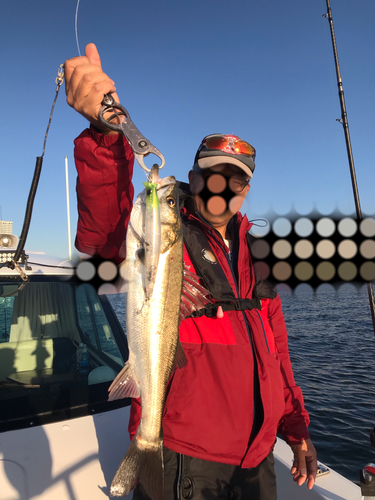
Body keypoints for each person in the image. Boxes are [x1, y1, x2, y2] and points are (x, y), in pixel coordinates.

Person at [65, 43, 317, 500]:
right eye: (211, 173)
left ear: (246, 189)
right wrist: (104, 134)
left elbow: (277, 352)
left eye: (235, 178)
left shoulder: (257, 256)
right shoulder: (167, 230)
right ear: (192, 176)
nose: (223, 186)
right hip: (185, 455)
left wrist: (295, 427)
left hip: (257, 459)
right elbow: (102, 235)